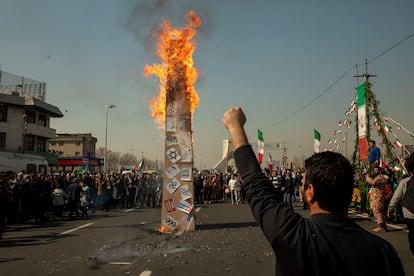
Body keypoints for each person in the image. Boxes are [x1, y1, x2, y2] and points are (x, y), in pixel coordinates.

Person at [222, 106, 404, 276]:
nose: (300, 186)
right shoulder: (383, 253)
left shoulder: (294, 236)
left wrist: (235, 126)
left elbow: (256, 184)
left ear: (311, 191)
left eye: (303, 182)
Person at [388, 152, 414, 257]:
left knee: (412, 233)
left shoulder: (405, 181)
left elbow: (397, 196)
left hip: (409, 213)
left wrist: (390, 208)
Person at [365, 166, 388, 232]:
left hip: (378, 197)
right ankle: (383, 226)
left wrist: (367, 178)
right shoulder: (377, 177)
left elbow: (374, 183)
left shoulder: (380, 177)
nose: (375, 172)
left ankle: (380, 226)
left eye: (376, 170)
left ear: (380, 171)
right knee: (379, 211)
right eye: (374, 170)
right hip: (376, 197)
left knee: (377, 210)